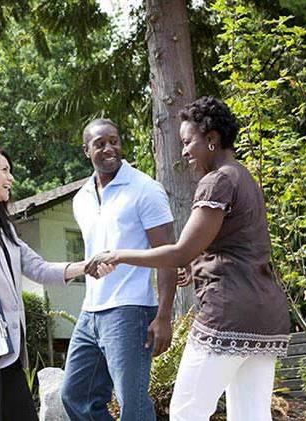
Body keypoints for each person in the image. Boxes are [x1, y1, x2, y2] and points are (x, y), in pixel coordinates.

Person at [87, 97, 291, 421]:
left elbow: (180, 250)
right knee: (251, 415)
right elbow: (237, 247)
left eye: (187, 141)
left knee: (185, 412)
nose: (183, 151)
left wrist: (119, 254)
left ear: (211, 139)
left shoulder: (217, 181)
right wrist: (197, 267)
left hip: (229, 313)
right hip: (265, 315)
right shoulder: (244, 177)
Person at [0, 145, 113, 421]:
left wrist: (85, 267)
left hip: (6, 348)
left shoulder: (1, 226)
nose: (11, 179)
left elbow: (39, 268)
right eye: (5, 171)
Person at [60, 118, 177, 421]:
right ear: (87, 151)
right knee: (75, 394)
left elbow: (167, 256)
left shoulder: (145, 189)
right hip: (91, 310)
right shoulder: (80, 198)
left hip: (131, 309)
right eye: (100, 143)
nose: (109, 147)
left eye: (114, 140)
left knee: (133, 404)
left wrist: (164, 316)